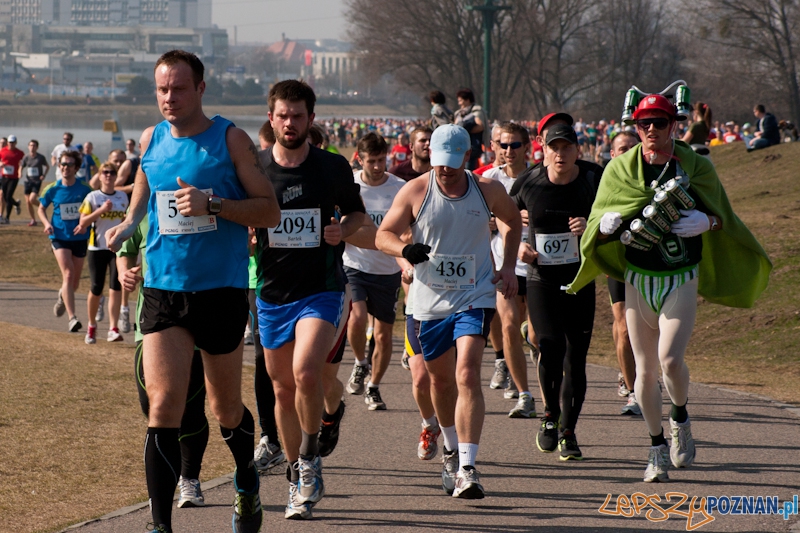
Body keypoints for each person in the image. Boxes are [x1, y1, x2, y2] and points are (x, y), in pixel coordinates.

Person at [105, 49, 280, 533]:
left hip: (219, 290)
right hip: (163, 288)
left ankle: (246, 481)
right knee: (164, 405)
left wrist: (215, 204)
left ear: (200, 89)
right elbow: (146, 182)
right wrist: (129, 223)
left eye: (179, 88)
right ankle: (160, 526)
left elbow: (269, 212)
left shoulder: (230, 140)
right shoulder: (152, 138)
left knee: (225, 408)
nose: (169, 98)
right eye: (162, 89)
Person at [569, 93, 771, 483]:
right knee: (643, 372)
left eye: (658, 123)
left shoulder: (695, 165)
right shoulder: (619, 169)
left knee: (670, 360)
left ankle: (680, 415)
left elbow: (723, 216)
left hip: (680, 275)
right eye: (642, 124)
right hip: (637, 278)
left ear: (673, 125)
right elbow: (599, 217)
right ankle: (656, 446)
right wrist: (605, 226)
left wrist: (705, 222)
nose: (649, 130)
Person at [376, 123, 522, 499]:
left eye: (452, 163)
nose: (445, 170)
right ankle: (451, 449)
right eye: (439, 162)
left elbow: (511, 220)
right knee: (440, 383)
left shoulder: (487, 189)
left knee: (468, 372)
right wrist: (403, 251)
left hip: (474, 293)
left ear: (467, 158)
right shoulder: (417, 190)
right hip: (429, 300)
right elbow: (383, 234)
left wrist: (506, 266)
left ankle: (469, 467)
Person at [254, 79, 365, 520]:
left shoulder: (331, 167)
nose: (289, 123)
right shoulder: (256, 169)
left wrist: (346, 230)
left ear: (311, 119)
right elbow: (243, 213)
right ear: (271, 118)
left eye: (297, 116)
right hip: (271, 291)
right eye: (282, 115)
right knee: (282, 388)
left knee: (305, 372)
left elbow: (356, 213)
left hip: (321, 289)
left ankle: (311, 457)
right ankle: (297, 471)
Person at [511, 122, 599, 461]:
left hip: (580, 278)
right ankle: (549, 415)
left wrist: (591, 224)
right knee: (549, 346)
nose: (560, 154)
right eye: (553, 147)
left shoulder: (594, 179)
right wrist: (519, 246)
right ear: (543, 150)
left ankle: (569, 432)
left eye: (566, 148)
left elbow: (616, 217)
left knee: (576, 358)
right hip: (541, 278)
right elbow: (500, 221)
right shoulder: (529, 182)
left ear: (578, 150)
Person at [117, 214, 211, 509]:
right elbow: (125, 249)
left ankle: (189, 478)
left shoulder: (197, 202)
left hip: (195, 315)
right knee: (152, 405)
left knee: (191, 406)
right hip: (152, 320)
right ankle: (164, 486)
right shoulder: (142, 211)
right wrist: (125, 274)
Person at [342, 132, 407, 410]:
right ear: (360, 159)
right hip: (355, 265)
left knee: (382, 334)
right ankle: (360, 362)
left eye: (382, 160)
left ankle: (374, 386)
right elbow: (345, 226)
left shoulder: (400, 188)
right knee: (356, 319)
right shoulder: (350, 185)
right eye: (372, 161)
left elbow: (407, 229)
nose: (378, 166)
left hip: (387, 270)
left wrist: (403, 254)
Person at [483, 122, 537, 419]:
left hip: (536, 263)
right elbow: (471, 218)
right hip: (504, 265)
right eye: (503, 145)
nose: (508, 151)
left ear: (526, 147)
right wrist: (489, 222)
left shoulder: (540, 177)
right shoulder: (488, 180)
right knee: (508, 325)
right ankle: (524, 394)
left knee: (537, 334)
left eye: (515, 145)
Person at [38, 150, 92, 332]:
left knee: (74, 283)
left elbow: (93, 209)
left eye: (69, 164)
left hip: (80, 237)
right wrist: (46, 223)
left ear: (76, 168)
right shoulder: (53, 188)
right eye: (62, 164)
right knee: (68, 275)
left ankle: (62, 295)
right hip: (59, 236)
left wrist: (85, 224)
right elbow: (40, 208)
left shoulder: (85, 189)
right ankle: (72, 318)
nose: (65, 167)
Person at [607, 131, 641, 416]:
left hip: (651, 261)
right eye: (622, 148)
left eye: (632, 146)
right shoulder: (605, 180)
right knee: (624, 327)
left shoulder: (652, 177)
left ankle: (640, 374)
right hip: (618, 262)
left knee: (648, 327)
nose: (628, 151)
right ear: (612, 153)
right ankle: (634, 392)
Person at [78, 162, 129, 344]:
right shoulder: (92, 197)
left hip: (116, 248)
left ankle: (113, 328)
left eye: (112, 173)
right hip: (97, 248)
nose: (108, 176)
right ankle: (91, 327)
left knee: (116, 288)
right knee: (96, 288)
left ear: (116, 176)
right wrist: (101, 210)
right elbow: (82, 222)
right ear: (99, 176)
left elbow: (126, 220)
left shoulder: (122, 196)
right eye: (105, 172)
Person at [453, 88, 489, 170]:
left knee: (468, 169)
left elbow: (480, 126)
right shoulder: (459, 112)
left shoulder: (476, 111)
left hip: (472, 146)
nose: (459, 103)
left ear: (467, 100)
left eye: (460, 100)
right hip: (459, 145)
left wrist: (464, 131)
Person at [20, 139, 49, 226]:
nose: (32, 147)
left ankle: (42, 207)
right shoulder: (26, 157)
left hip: (36, 181)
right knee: (28, 202)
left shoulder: (41, 157)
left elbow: (47, 166)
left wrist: (43, 175)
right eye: (31, 145)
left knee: (32, 199)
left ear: (37, 147)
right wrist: (19, 172)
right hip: (27, 181)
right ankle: (33, 220)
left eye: (34, 145)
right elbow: (21, 166)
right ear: (28, 147)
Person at [0, 135, 25, 223]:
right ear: (8, 143)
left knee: (8, 196)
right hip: (4, 176)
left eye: (13, 142)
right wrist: (0, 164)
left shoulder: (20, 153)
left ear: (16, 143)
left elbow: (22, 163)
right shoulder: (3, 151)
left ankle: (7, 217)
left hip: (14, 177)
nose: (11, 144)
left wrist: (20, 171)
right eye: (10, 142)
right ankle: (16, 204)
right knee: (5, 196)